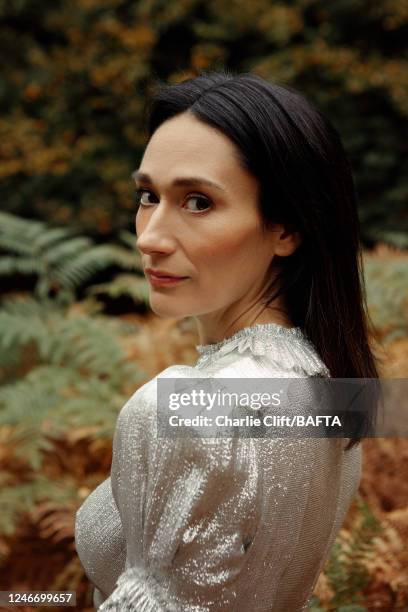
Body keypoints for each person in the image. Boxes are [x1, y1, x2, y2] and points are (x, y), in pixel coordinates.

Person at [75, 70, 380, 611]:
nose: (149, 237)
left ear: (286, 228)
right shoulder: (334, 397)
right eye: (148, 196)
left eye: (198, 202)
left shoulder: (185, 412)